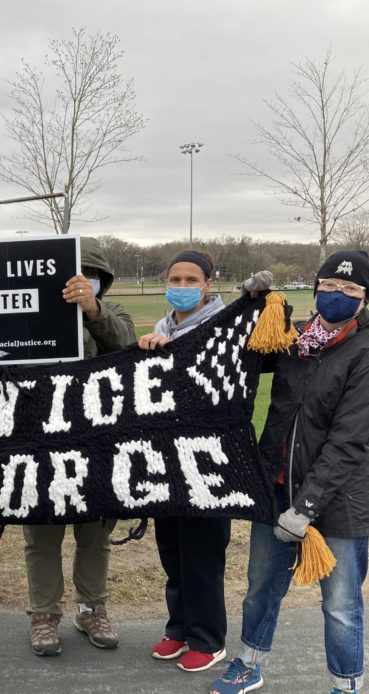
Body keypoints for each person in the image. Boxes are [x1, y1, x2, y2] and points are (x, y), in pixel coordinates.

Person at [209, 250, 369, 694]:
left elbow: (347, 442)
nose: (337, 295)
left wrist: (306, 508)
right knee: (260, 586)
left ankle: (346, 693)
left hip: (336, 506)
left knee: (340, 604)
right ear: (314, 288)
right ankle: (248, 663)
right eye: (330, 284)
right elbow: (244, 349)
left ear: (363, 300)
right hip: (276, 490)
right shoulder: (298, 344)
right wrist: (251, 303)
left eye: (351, 291)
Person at [0, 237, 136, 657]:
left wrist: (92, 311)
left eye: (92, 276)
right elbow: (3, 365)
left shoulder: (112, 313)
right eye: (78, 275)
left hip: (96, 443)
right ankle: (43, 614)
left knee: (94, 533)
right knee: (42, 534)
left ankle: (92, 608)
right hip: (37, 443)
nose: (84, 281)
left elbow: (127, 348)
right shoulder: (25, 316)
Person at [138, 250, 231, 672]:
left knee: (202, 553)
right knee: (172, 549)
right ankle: (178, 628)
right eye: (175, 277)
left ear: (208, 284)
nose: (182, 285)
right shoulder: (161, 329)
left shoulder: (226, 327)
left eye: (192, 279)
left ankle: (208, 639)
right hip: (165, 458)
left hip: (208, 461)